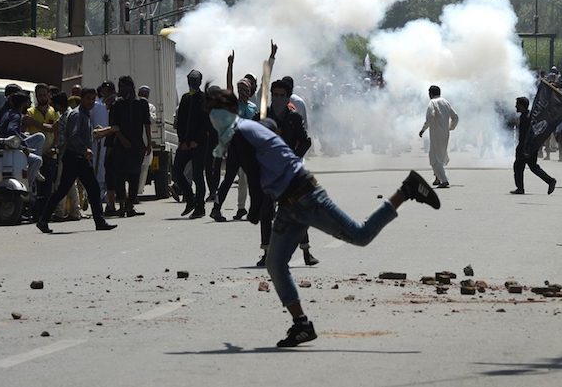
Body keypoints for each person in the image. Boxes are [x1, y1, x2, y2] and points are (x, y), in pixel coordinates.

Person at [205, 89, 441, 347]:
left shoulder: (242, 133)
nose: (212, 117)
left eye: (214, 111)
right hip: (289, 205)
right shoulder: (249, 128)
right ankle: (302, 325)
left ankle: (407, 190)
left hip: (305, 196)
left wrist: (254, 211)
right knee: (275, 264)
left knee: (360, 235)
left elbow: (252, 173)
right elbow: (270, 128)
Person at [36, 87, 118, 233]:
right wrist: (84, 149)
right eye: (88, 98)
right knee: (88, 188)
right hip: (75, 157)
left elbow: (84, 135)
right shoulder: (77, 115)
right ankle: (99, 221)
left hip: (78, 158)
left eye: (93, 99)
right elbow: (73, 136)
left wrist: (95, 134)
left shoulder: (85, 115)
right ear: (82, 98)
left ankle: (44, 220)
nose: (91, 102)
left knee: (70, 189)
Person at [257, 79, 317, 267]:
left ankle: (306, 252)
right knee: (266, 212)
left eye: (282, 95)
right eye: (275, 95)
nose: (278, 99)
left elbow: (305, 141)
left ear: (288, 97)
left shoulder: (294, 118)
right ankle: (267, 253)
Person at [211, 75, 258, 222]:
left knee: (248, 179)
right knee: (229, 180)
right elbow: (229, 85)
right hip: (235, 148)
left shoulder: (252, 107)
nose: (242, 92)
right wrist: (230, 66)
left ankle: (244, 208)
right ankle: (216, 209)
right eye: (241, 89)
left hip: (248, 148)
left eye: (245, 89)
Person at [109, 76, 151, 216]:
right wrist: (122, 139)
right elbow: (114, 126)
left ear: (131, 87)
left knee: (135, 176)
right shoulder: (117, 105)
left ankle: (130, 206)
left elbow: (147, 124)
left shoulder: (142, 104)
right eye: (119, 87)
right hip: (121, 145)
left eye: (123, 87)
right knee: (119, 176)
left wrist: (149, 143)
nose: (120, 90)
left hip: (137, 145)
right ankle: (121, 205)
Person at [173, 69, 211, 219]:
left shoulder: (204, 98)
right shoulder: (185, 98)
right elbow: (181, 122)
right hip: (184, 144)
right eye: (190, 79)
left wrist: (196, 141)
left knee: (197, 176)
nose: (192, 82)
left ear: (200, 82)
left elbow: (206, 123)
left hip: (199, 144)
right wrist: (182, 141)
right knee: (177, 172)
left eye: (195, 80)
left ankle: (200, 208)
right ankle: (191, 199)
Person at [25, 84, 60, 217]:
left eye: (45, 94)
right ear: (36, 96)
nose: (42, 97)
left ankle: (46, 213)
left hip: (50, 154)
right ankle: (35, 212)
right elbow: (26, 129)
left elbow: (55, 130)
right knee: (35, 186)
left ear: (49, 95)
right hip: (36, 154)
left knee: (48, 186)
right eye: (40, 95)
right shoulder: (30, 112)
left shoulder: (53, 112)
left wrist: (55, 148)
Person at [0, 92, 45, 186]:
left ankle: (35, 170)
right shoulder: (16, 115)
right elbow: (11, 131)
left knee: (39, 137)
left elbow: (8, 130)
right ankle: (28, 186)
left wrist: (24, 137)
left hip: (5, 146)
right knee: (37, 160)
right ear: (23, 104)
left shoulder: (8, 113)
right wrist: (24, 146)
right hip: (10, 148)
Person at [511, 96, 556, 195]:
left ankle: (520, 188)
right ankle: (550, 181)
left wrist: (525, 149)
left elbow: (528, 134)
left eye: (517, 104)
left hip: (526, 147)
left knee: (519, 167)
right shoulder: (528, 116)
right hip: (529, 146)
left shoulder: (526, 118)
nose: (515, 106)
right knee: (532, 167)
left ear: (522, 106)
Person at [419, 85, 459, 188]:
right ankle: (437, 178)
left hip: (436, 134)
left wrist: (423, 130)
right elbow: (455, 117)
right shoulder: (445, 102)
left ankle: (444, 180)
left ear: (430, 94)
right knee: (440, 156)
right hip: (445, 133)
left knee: (434, 158)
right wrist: (451, 127)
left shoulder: (432, 103)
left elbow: (430, 117)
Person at [50, 92, 81, 222]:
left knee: (60, 184)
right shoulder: (68, 114)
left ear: (58, 104)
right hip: (71, 153)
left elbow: (69, 136)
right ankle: (75, 211)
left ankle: (59, 212)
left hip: (66, 153)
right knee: (71, 184)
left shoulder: (66, 116)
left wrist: (59, 149)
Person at [137, 85, 157, 197]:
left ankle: (139, 191)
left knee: (144, 167)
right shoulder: (134, 105)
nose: (144, 94)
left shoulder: (151, 107)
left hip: (145, 139)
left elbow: (151, 120)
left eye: (146, 93)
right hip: (136, 140)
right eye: (142, 92)